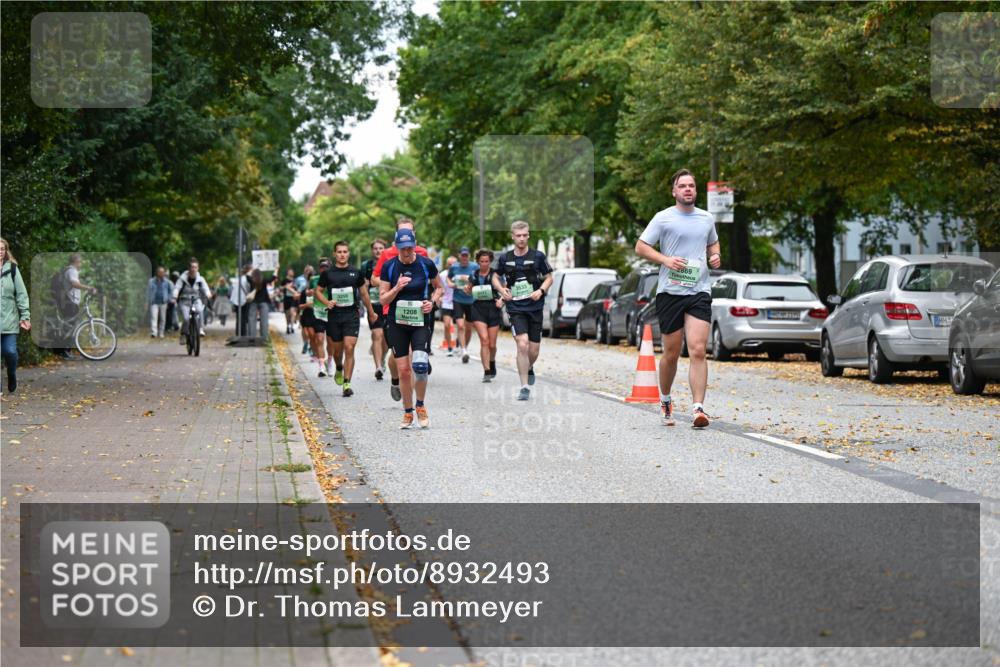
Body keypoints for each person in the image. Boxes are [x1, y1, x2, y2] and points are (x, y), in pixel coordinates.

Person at [634, 168, 722, 429]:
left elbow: (713, 244)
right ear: (674, 191)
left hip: (699, 291)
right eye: (682, 186)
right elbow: (641, 246)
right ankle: (665, 398)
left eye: (691, 186)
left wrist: (715, 256)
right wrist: (666, 260)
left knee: (697, 349)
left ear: (696, 191)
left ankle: (698, 409)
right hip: (670, 292)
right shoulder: (663, 218)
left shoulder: (706, 219)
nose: (687, 189)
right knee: (671, 353)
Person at [380, 228, 442, 429]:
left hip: (420, 321)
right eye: (402, 248)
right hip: (397, 322)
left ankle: (421, 406)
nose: (406, 252)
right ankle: (408, 412)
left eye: (409, 248)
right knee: (404, 371)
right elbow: (383, 299)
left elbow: (439, 287)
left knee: (420, 365)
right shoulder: (389, 266)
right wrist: (397, 288)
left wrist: (432, 302)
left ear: (415, 245)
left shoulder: (426, 264)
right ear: (396, 246)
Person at [493, 221, 553, 400]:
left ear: (528, 236)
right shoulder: (505, 258)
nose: (521, 238)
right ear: (512, 236)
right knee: (522, 344)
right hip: (515, 307)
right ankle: (524, 386)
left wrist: (540, 290)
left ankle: (528, 367)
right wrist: (501, 290)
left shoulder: (538, 256)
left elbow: (549, 278)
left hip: (535, 307)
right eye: (518, 235)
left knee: (533, 350)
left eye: (524, 235)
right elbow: (495, 277)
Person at [371, 218, 430, 402]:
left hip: (418, 309)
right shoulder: (388, 255)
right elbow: (375, 278)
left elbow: (430, 278)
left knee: (413, 355)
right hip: (392, 309)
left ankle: (410, 401)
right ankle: (396, 380)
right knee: (397, 356)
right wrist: (391, 284)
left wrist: (429, 301)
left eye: (409, 233)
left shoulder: (421, 253)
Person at [315, 242, 377, 397]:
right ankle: (338, 367)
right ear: (334, 254)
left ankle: (347, 383)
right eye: (339, 252)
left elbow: (364, 294)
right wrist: (326, 302)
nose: (342, 254)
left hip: (351, 315)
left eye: (345, 252)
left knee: (349, 347)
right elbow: (318, 292)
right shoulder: (328, 273)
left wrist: (371, 312)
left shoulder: (355, 272)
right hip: (334, 316)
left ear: (349, 254)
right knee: (337, 351)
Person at [468, 249, 503, 382]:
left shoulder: (496, 275)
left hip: (493, 308)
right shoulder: (474, 274)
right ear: (478, 262)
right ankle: (486, 371)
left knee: (492, 345)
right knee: (484, 340)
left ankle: (492, 361)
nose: (484, 264)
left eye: (487, 261)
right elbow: (469, 290)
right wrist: (467, 290)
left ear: (490, 261)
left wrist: (501, 301)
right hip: (478, 308)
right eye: (481, 261)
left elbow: (504, 290)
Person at [1, 238, 30, 394]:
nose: (0, 252)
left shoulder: (12, 269)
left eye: (2, 249)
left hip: (9, 320)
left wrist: (25, 316)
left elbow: (21, 294)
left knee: (10, 351)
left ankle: (11, 374)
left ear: (6, 251)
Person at [361, 239, 389, 380]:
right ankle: (378, 367)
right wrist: (366, 307)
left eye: (381, 248)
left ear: (385, 249)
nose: (378, 251)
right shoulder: (366, 266)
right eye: (375, 248)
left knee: (387, 339)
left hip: (389, 305)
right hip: (374, 305)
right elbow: (363, 288)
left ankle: (383, 358)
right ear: (372, 250)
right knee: (377, 335)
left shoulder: (391, 263)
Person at [446, 248, 477, 363]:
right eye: (463, 255)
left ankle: (465, 347)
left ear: (469, 256)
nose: (464, 258)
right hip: (457, 299)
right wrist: (451, 284)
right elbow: (448, 278)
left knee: (469, 328)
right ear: (459, 256)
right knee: (460, 325)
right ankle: (463, 350)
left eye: (466, 255)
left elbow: (479, 279)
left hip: (471, 300)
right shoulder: (454, 267)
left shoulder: (475, 267)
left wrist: (472, 285)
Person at [171, 258, 212, 343]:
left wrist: (208, 294)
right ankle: (183, 334)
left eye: (195, 267)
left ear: (198, 268)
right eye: (192, 267)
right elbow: (177, 288)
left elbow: (205, 288)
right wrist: (175, 296)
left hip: (196, 300)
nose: (193, 269)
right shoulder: (182, 279)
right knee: (186, 319)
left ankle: (200, 329)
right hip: (184, 301)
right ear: (189, 268)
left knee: (200, 311)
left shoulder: (200, 279)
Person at [308, 258, 331, 375]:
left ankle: (330, 361)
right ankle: (321, 366)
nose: (324, 269)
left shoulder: (334, 278)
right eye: (322, 267)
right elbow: (308, 292)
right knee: (319, 339)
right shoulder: (314, 279)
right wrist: (311, 292)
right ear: (319, 268)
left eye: (326, 267)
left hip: (331, 313)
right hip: (318, 313)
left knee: (331, 342)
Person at [248, 266, 278, 340]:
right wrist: (276, 269)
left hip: (253, 302)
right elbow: (273, 278)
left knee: (252, 320)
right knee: (264, 320)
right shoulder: (263, 280)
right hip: (264, 302)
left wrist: (252, 269)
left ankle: (252, 337)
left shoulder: (251, 280)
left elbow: (247, 275)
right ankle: (264, 338)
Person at [439, 256, 457, 356]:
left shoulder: (459, 274)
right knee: (446, 325)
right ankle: (450, 347)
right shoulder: (442, 275)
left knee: (460, 325)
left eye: (453, 264)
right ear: (447, 265)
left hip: (458, 302)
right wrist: (439, 297)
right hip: (446, 302)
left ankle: (459, 344)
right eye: (450, 264)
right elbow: (439, 287)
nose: (452, 266)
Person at [146, 266, 172, 338]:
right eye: (160, 272)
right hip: (154, 302)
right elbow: (148, 292)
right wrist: (146, 302)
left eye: (163, 272)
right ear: (157, 273)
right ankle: (154, 332)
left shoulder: (167, 282)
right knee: (154, 317)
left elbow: (170, 291)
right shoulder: (151, 281)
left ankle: (161, 333)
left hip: (163, 302)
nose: (161, 273)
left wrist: (169, 298)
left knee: (162, 318)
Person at [296, 265, 316, 354]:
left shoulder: (317, 282)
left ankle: (311, 346)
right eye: (307, 270)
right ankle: (305, 343)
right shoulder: (301, 281)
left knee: (313, 332)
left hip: (315, 313)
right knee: (305, 329)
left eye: (310, 270)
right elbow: (297, 294)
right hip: (304, 311)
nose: (308, 272)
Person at [280, 268, 299, 335]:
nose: (292, 272)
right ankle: (288, 326)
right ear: (288, 272)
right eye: (290, 271)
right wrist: (286, 286)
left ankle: (292, 327)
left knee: (292, 312)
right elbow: (280, 288)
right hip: (287, 298)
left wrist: (294, 287)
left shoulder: (295, 280)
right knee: (287, 314)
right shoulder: (284, 280)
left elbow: (298, 288)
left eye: (292, 271)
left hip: (293, 298)